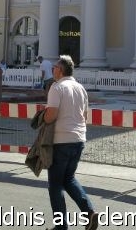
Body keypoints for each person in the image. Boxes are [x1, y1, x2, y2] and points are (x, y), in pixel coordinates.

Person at [43, 55, 98, 230]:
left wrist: (42, 116)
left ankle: (61, 227)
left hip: (61, 140)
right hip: (78, 139)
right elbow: (85, 116)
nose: (52, 70)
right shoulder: (81, 88)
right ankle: (89, 212)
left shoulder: (57, 87)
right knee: (69, 178)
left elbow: (51, 115)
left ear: (60, 70)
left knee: (55, 185)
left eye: (54, 67)